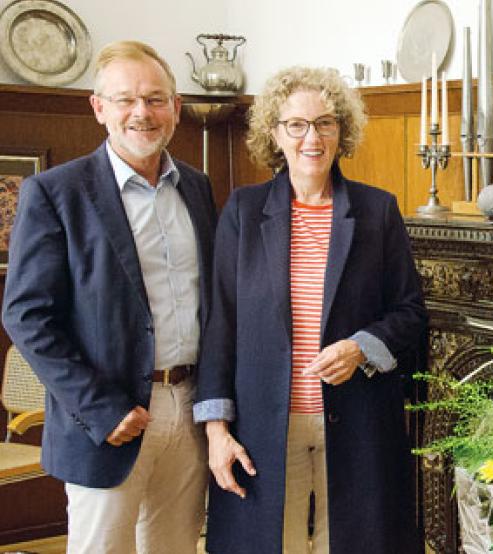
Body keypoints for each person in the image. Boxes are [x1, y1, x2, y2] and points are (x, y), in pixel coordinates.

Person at [193, 66, 427, 553]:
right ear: (275, 134)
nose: (311, 137)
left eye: (324, 123)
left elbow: (410, 313)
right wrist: (216, 430)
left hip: (357, 421)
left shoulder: (377, 210)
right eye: (296, 125)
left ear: (342, 131)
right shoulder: (242, 210)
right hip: (263, 426)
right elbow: (221, 326)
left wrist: (362, 348)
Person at [2, 41, 216, 553]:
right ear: (99, 109)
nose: (142, 113)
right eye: (125, 100)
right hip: (108, 418)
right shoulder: (57, 193)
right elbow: (26, 316)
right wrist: (100, 408)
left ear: (176, 108)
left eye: (155, 99)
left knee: (176, 548)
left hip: (189, 407)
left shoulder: (198, 187)